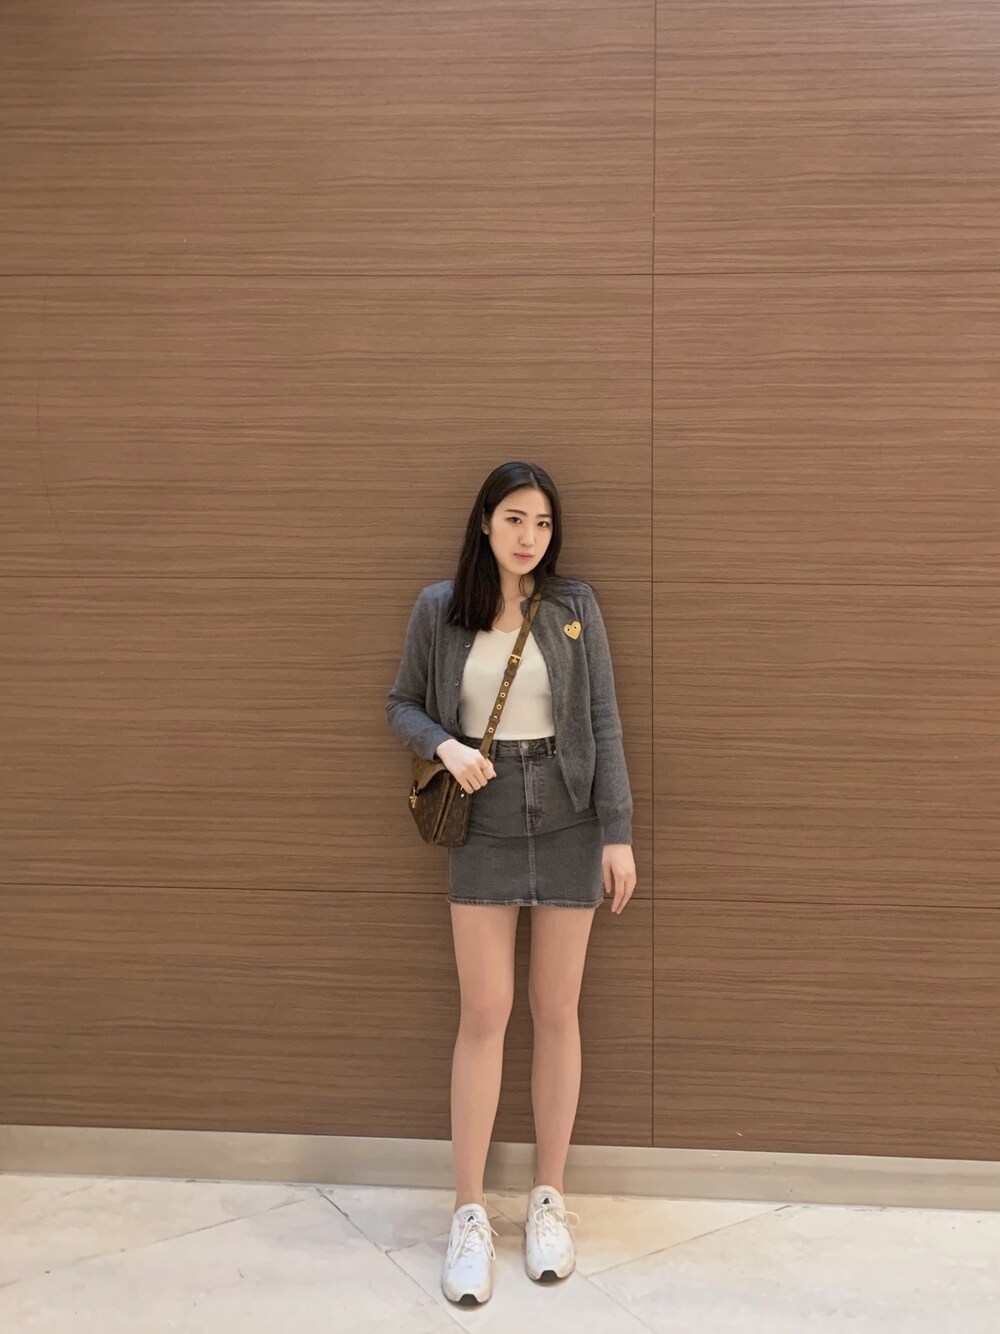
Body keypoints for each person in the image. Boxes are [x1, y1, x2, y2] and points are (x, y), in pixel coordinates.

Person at [385, 460, 636, 1306]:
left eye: (543, 523)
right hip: (483, 814)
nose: (530, 537)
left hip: (569, 812)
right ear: (485, 522)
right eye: (516, 519)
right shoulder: (439, 609)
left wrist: (618, 831)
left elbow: (603, 720)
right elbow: (401, 704)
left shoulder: (573, 606)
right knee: (484, 1012)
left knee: (557, 1009)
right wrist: (445, 746)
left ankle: (547, 1201)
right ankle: (467, 1213)